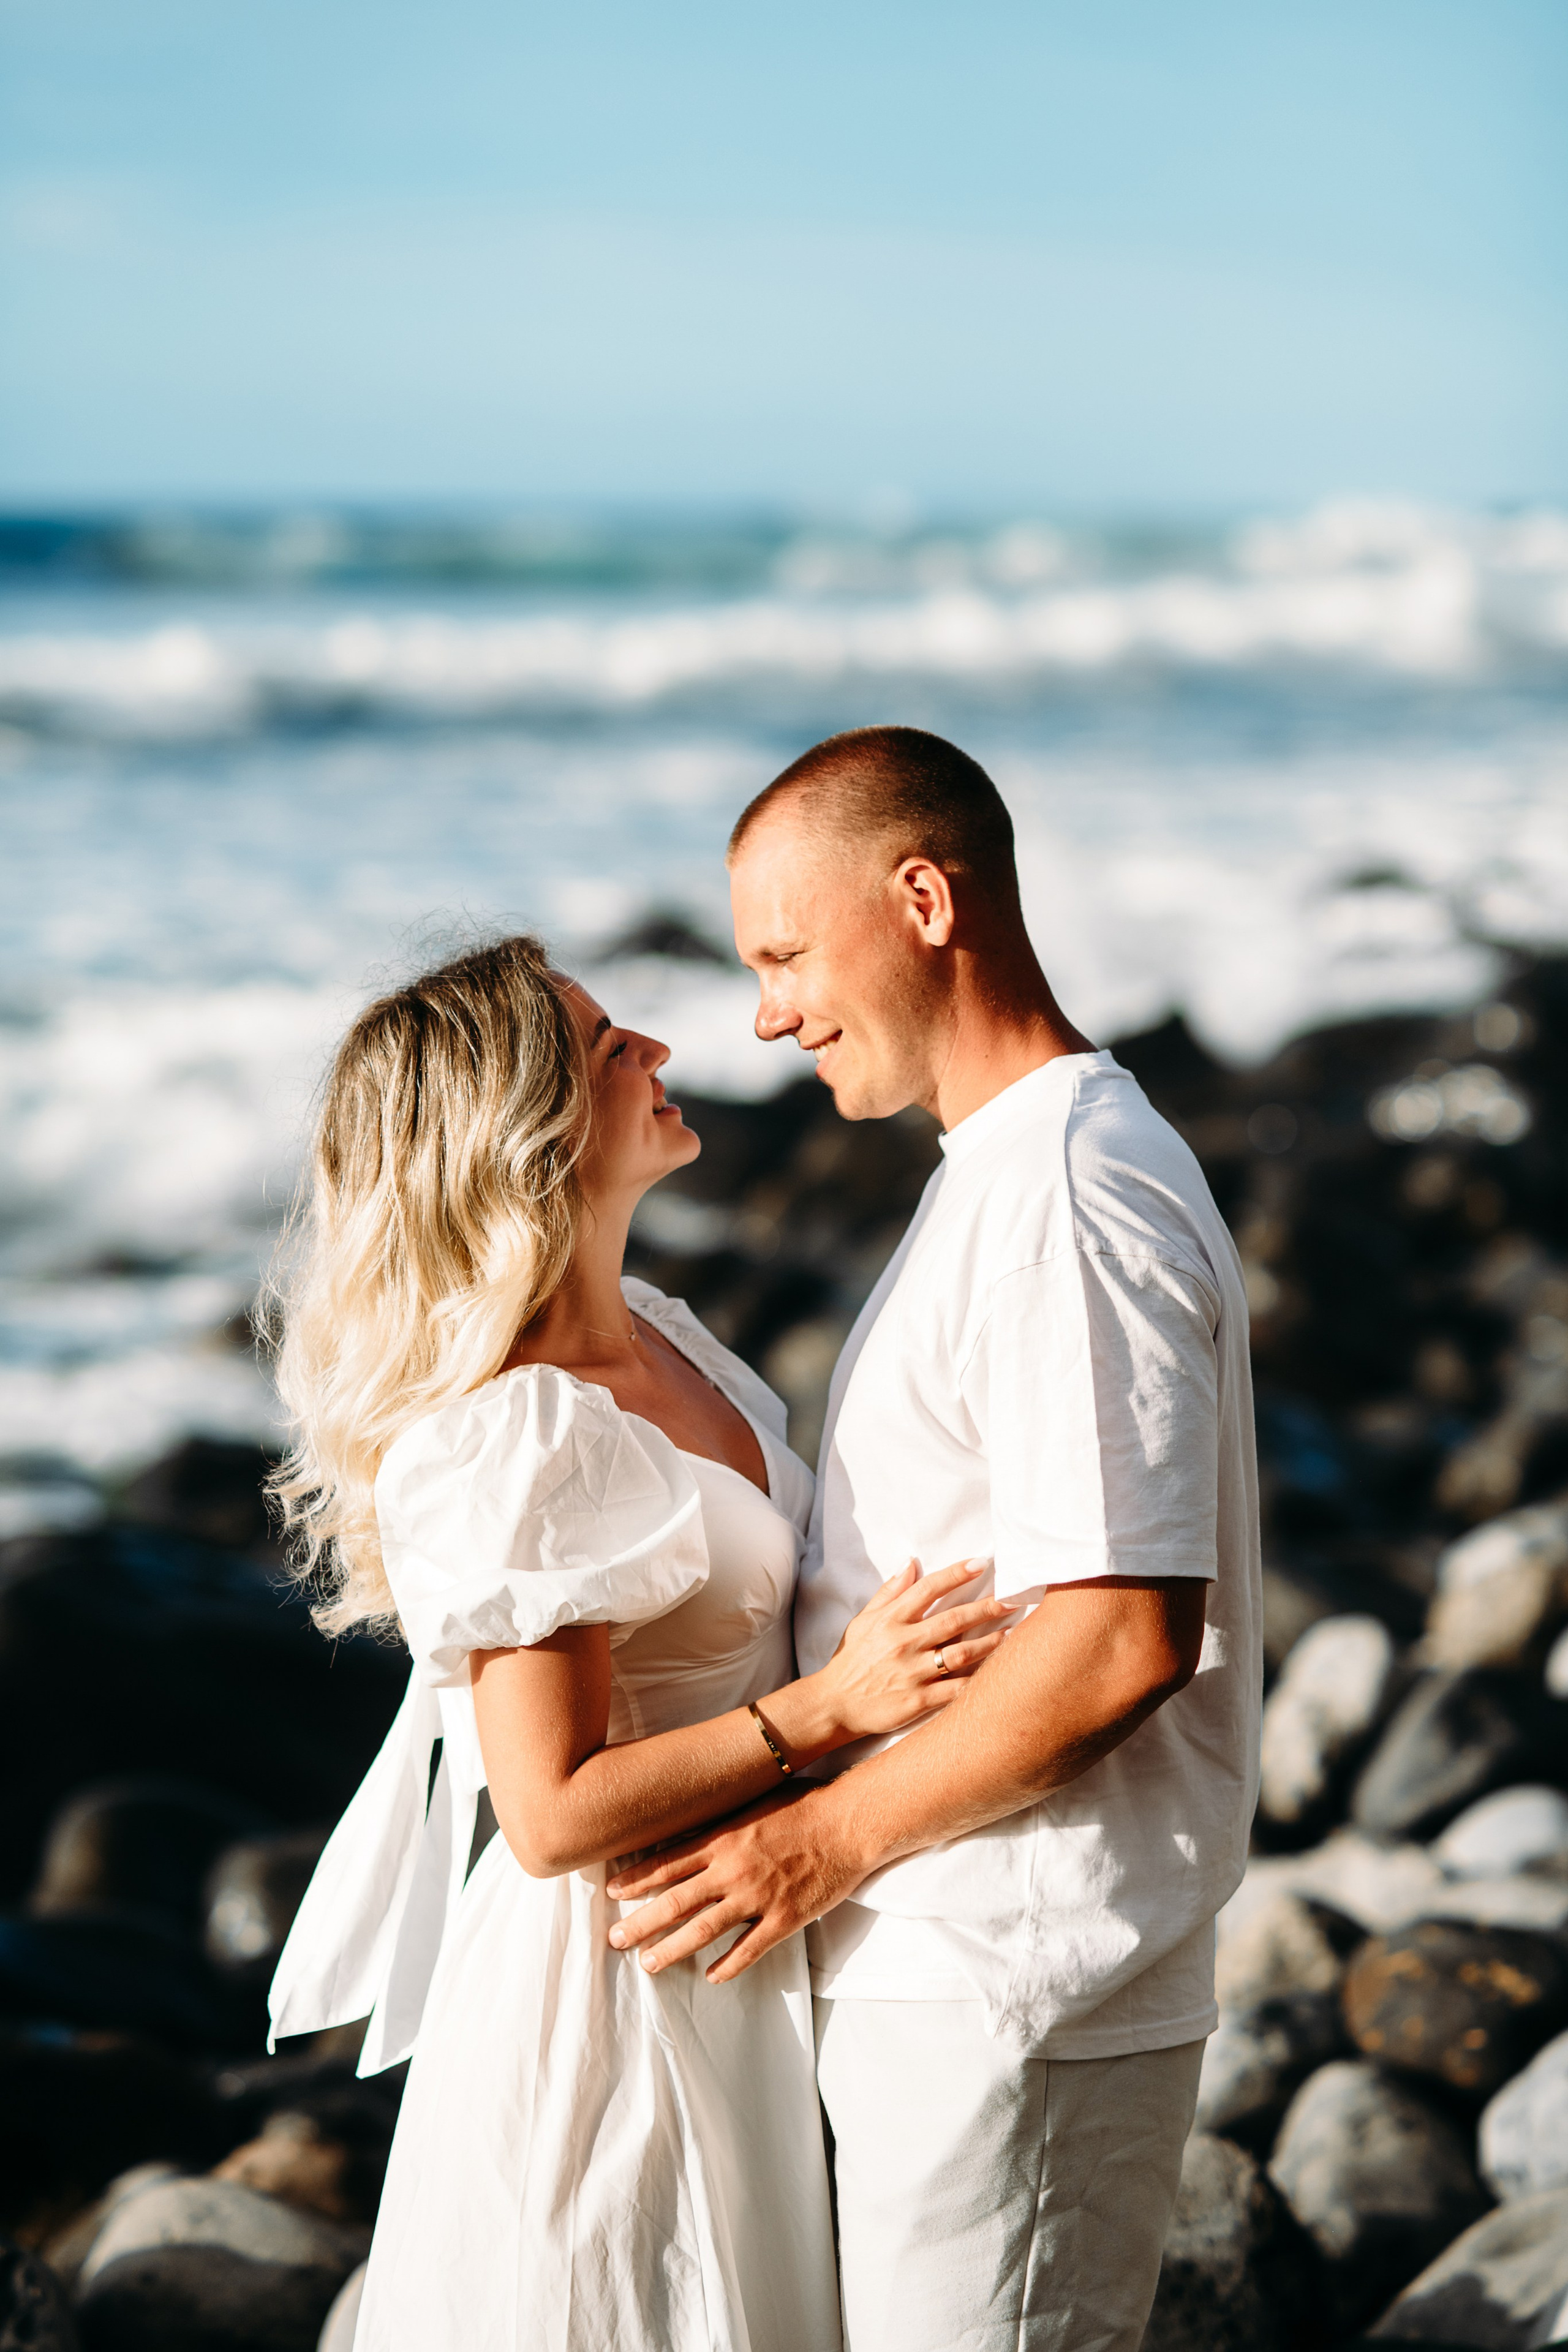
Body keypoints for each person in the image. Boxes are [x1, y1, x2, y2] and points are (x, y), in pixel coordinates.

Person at [606, 727, 1263, 2352]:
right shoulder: (1010, 1175)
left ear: (922, 901)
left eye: (783, 956)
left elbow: (1118, 1636)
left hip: (1020, 1978)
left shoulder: (1064, 1198)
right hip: (964, 1969)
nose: (767, 1015)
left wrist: (810, 1846)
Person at [263, 933, 1011, 2352]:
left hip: (735, 1942)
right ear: (527, 1127)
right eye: (612, 1046)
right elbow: (547, 1816)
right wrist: (833, 1710)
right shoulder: (516, 1431)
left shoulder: (662, 1335)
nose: (659, 1050)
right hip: (612, 2001)